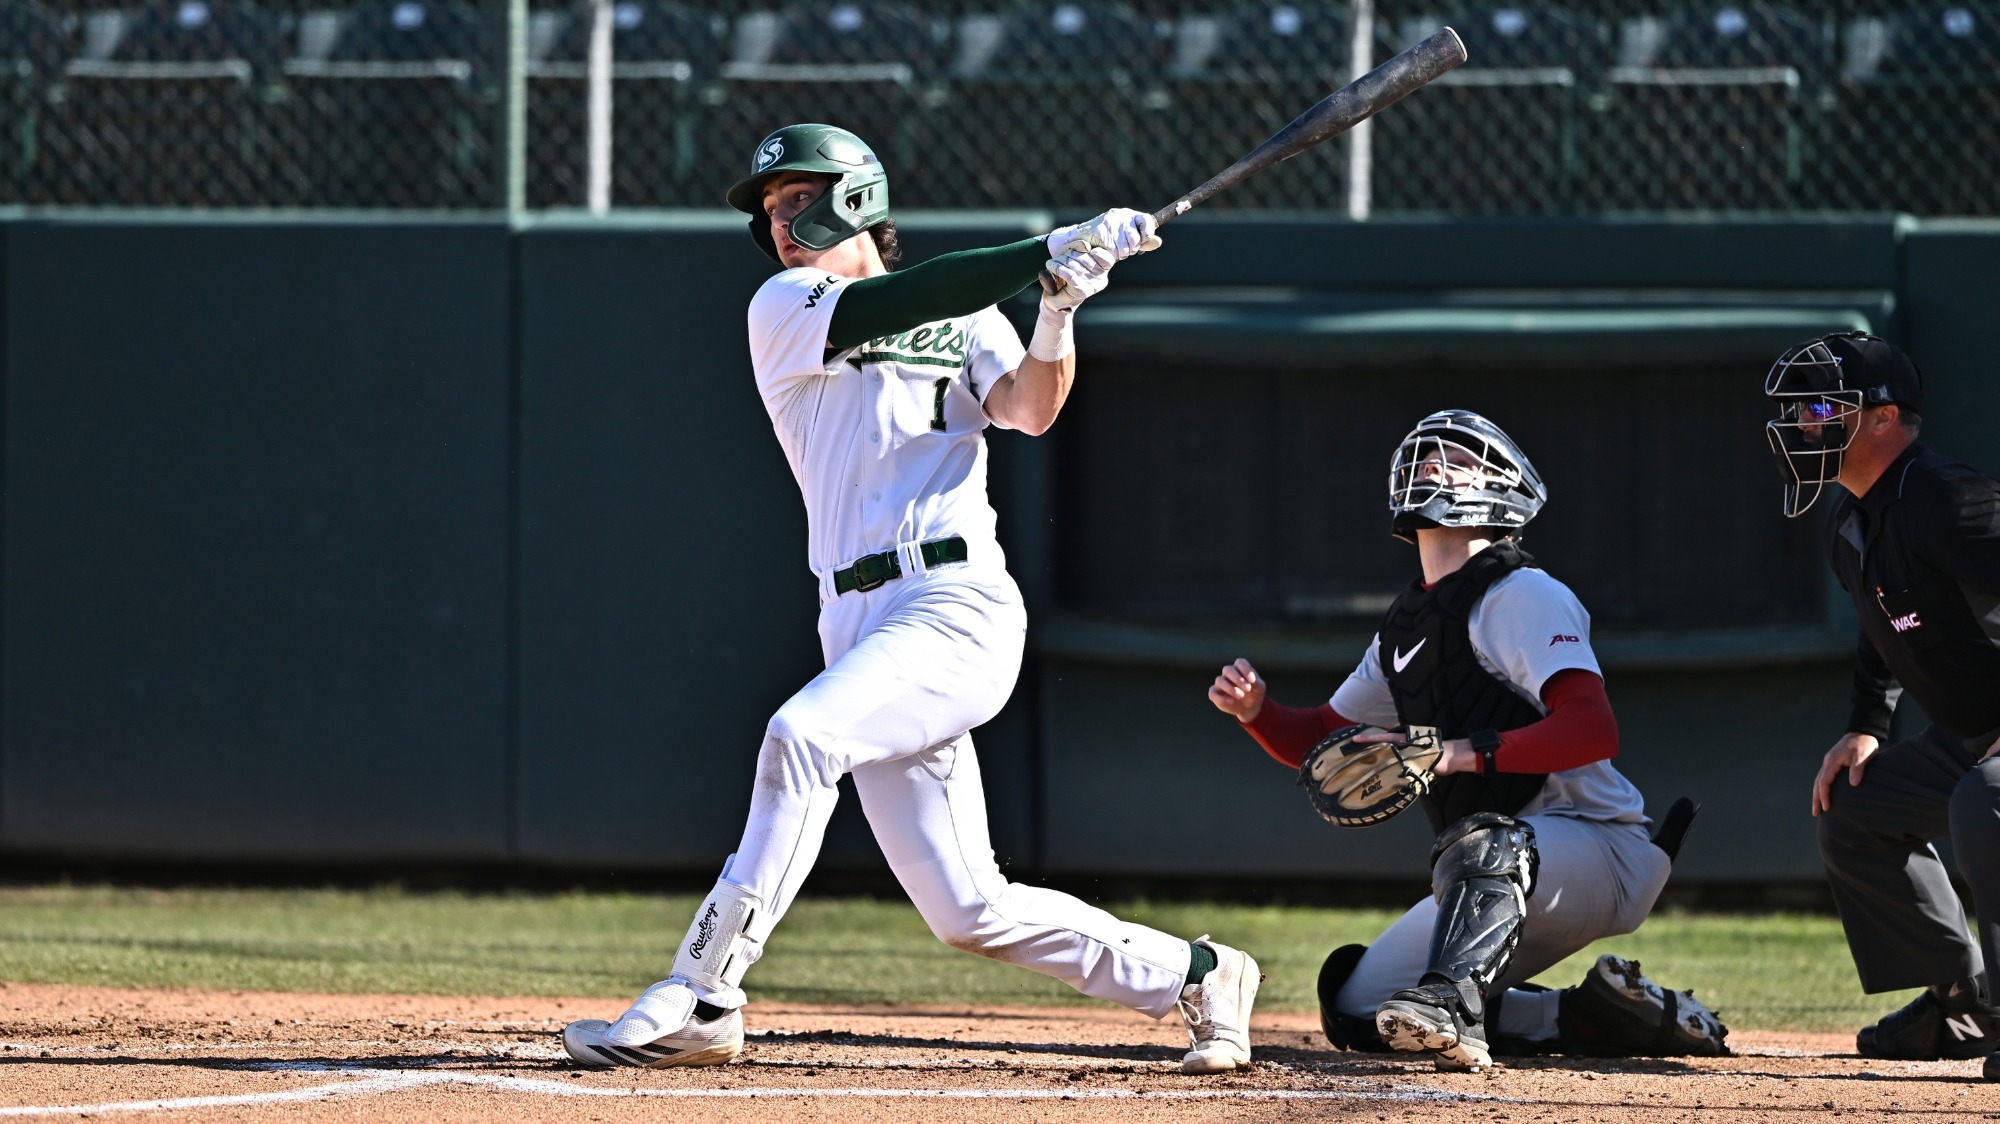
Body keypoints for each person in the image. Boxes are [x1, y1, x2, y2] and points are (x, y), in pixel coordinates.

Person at [559, 123, 1260, 1074]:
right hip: (854, 618)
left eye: (796, 199)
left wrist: (1056, 309)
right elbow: (913, 294)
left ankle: (705, 990)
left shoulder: (976, 318)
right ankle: (1199, 972)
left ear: (854, 198)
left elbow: (1029, 409)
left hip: (955, 601)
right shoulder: (788, 305)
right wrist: (1044, 250)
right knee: (969, 909)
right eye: (769, 208)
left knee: (801, 739)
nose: (779, 222)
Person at [1207, 409, 1726, 1071]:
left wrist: (1460, 752)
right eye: (1428, 456)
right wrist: (1257, 711)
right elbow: (1319, 742)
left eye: (1458, 458)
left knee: (1485, 843)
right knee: (1360, 1008)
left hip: (1598, 844)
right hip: (1495, 869)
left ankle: (1453, 1005)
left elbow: (1593, 727)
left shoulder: (1524, 594)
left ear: (1502, 489)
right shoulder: (1407, 624)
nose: (1434, 462)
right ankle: (1591, 1015)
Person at [1764, 331, 2000, 1078]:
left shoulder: (1946, 497)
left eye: (1825, 405)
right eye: (1799, 408)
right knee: (1853, 807)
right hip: (1965, 736)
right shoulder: (1848, 519)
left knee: (1985, 804)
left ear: (1885, 418)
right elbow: (1881, 631)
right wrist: (1867, 726)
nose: (1805, 422)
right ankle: (1968, 1004)